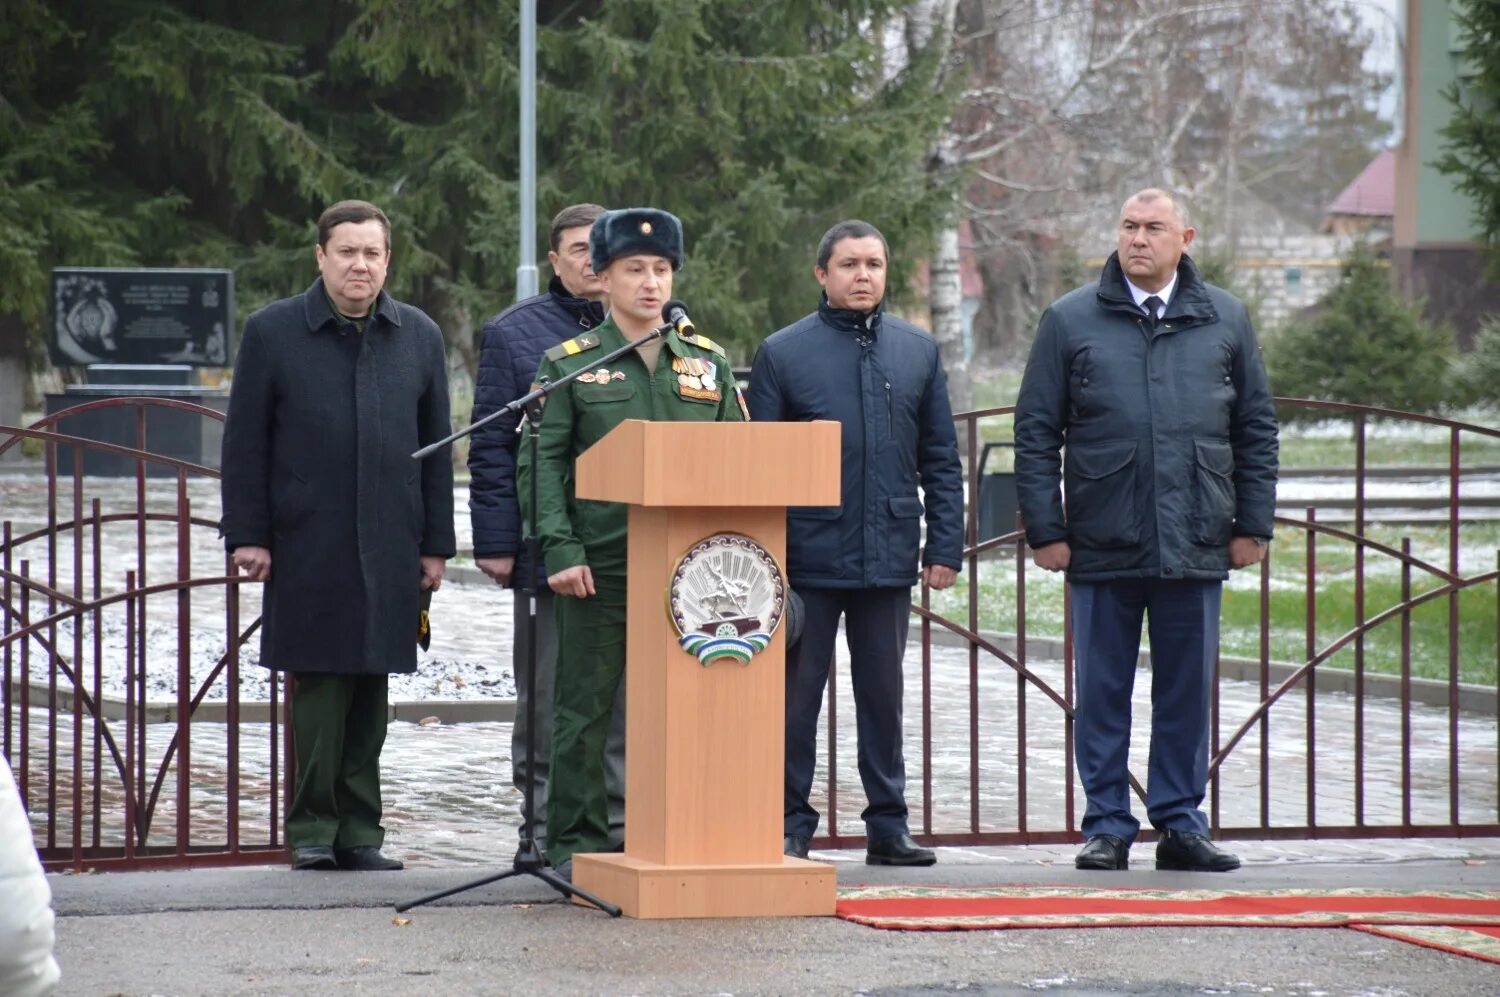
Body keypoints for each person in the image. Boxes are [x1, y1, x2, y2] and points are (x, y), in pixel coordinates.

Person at [1013, 188, 1278, 873]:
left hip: (1195, 538)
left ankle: (1181, 824)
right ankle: (1106, 824)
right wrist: (1046, 527)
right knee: (1102, 692)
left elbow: (1255, 425)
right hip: (1103, 541)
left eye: (1154, 227)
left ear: (1184, 235)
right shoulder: (1071, 319)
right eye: (1128, 226)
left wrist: (1253, 521)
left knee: (1186, 691)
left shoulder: (1226, 318)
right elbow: (1037, 429)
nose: (1138, 238)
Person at [221, 199, 455, 872]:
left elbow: (438, 450)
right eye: (347, 251)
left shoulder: (418, 335)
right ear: (320, 256)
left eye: (372, 253)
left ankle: (361, 831)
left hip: (392, 540)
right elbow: (245, 445)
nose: (360, 264)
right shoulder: (273, 332)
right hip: (306, 539)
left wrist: (435, 544)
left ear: (388, 260)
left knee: (372, 688)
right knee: (320, 684)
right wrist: (248, 534)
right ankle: (314, 829)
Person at [519, 207, 747, 878]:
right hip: (604, 563)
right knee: (583, 711)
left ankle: (681, 833)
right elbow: (543, 463)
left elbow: (738, 457)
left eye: (662, 269)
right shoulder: (570, 366)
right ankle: (575, 847)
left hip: (694, 572)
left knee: (690, 711)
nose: (651, 284)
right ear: (604, 277)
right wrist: (560, 549)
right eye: (635, 270)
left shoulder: (706, 361)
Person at [747, 220, 964, 867]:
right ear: (822, 274)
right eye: (848, 264)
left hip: (888, 555)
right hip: (804, 560)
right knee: (793, 701)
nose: (863, 274)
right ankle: (787, 823)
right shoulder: (784, 353)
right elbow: (758, 462)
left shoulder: (916, 351)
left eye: (874, 263)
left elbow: (941, 457)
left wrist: (944, 545)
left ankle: (888, 825)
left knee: (883, 697)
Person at [468, 203, 628, 861]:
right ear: (554, 260)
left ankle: (616, 828)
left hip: (632, 548)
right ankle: (539, 826)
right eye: (578, 249)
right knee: (549, 697)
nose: (593, 260)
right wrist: (499, 542)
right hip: (549, 548)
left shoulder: (657, 328)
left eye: (602, 248)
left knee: (621, 702)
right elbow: (492, 448)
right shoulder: (515, 333)